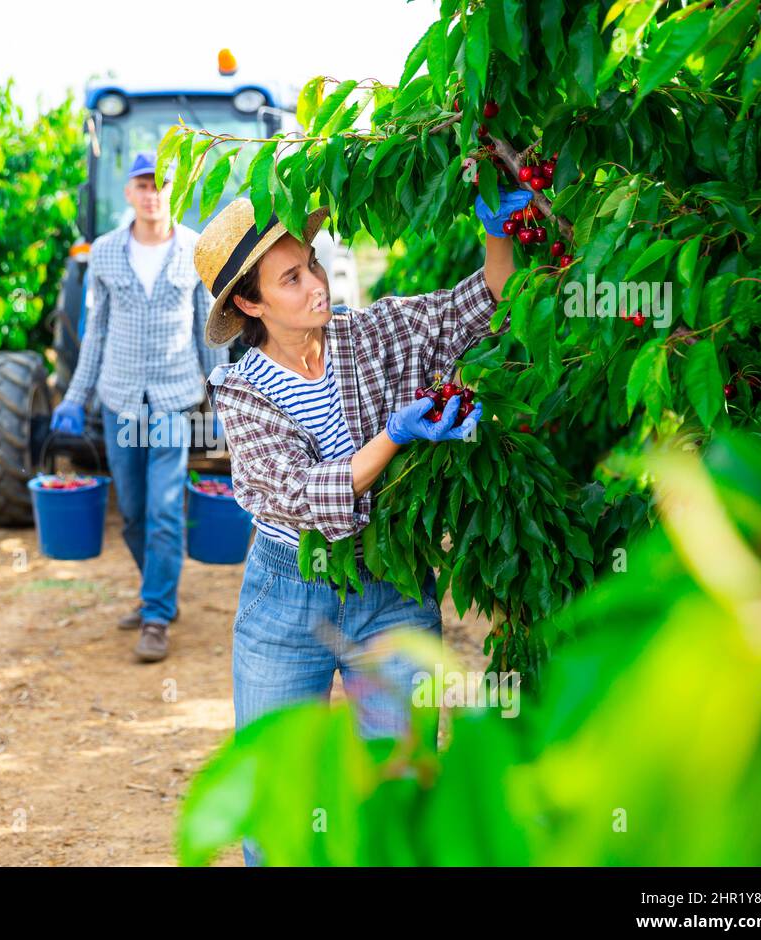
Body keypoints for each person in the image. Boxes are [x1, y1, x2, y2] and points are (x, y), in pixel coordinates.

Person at [193, 188, 528, 865]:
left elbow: (484, 301)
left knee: (396, 787)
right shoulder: (242, 393)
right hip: (288, 594)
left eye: (311, 265)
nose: (316, 284)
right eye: (291, 279)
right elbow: (299, 491)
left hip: (390, 584)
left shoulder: (370, 332)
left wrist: (501, 232)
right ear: (250, 305)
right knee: (279, 804)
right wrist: (395, 435)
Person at [50, 152, 227, 663]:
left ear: (174, 190)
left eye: (161, 185)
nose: (152, 195)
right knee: (131, 511)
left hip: (172, 399)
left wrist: (221, 398)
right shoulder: (103, 253)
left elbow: (209, 332)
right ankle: (158, 588)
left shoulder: (196, 251)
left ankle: (155, 614)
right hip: (121, 399)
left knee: (166, 507)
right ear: (129, 193)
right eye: (143, 185)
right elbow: (95, 334)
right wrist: (73, 398)